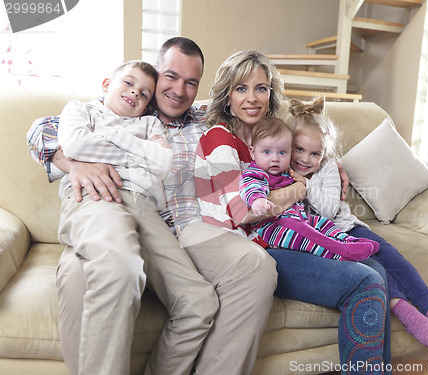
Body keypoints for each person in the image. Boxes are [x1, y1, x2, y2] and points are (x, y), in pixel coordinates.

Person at [27, 37, 277, 375]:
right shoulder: (122, 107)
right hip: (110, 211)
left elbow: (273, 136)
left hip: (182, 233)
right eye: (170, 77)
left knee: (256, 266)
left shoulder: (206, 119)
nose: (179, 90)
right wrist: (74, 163)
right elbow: (40, 130)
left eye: (191, 82)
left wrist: (314, 168)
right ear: (155, 74)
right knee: (78, 274)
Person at [195, 49, 393, 374]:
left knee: (379, 271)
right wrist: (299, 189)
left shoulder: (274, 132)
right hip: (259, 244)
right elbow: (242, 210)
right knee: (366, 282)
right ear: (227, 95)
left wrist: (330, 165)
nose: (253, 98)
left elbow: (310, 149)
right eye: (241, 88)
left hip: (292, 231)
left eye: (261, 88)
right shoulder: (221, 138)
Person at [287, 97, 428, 347]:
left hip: (348, 227)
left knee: (392, 256)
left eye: (315, 153)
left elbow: (330, 210)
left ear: (325, 153)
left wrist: (305, 185)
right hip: (331, 241)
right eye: (299, 150)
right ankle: (412, 318)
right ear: (289, 146)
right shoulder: (282, 171)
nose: (305, 159)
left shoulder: (328, 168)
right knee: (375, 269)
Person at [239, 116, 379, 261]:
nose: (275, 158)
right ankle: (340, 252)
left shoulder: (286, 171)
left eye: (281, 152)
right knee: (304, 231)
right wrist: (257, 200)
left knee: (321, 222)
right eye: (267, 152)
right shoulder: (256, 172)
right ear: (252, 153)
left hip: (298, 218)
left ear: (289, 150)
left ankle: (349, 241)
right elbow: (250, 186)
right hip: (273, 226)